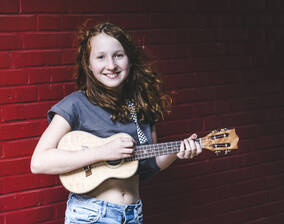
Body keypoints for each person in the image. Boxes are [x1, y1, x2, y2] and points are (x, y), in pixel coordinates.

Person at [30, 22, 202, 224]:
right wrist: (103, 152)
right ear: (89, 64)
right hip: (91, 215)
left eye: (118, 55)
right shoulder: (76, 104)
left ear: (129, 59)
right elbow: (39, 162)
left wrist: (178, 151)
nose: (111, 65)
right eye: (101, 57)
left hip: (132, 214)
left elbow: (147, 166)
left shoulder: (140, 106)